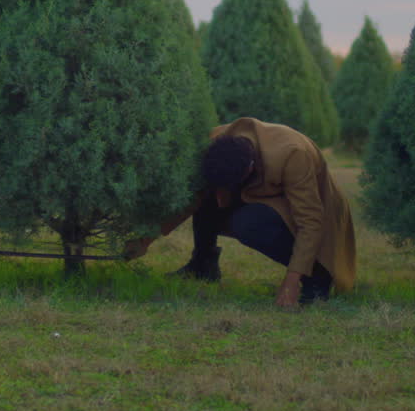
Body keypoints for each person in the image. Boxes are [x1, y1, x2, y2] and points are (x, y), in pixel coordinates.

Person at [124, 117, 356, 307]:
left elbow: (311, 221)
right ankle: (203, 264)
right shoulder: (214, 144)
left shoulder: (293, 154)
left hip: (311, 209)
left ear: (250, 169)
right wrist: (145, 239)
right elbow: (192, 199)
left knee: (249, 224)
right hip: (258, 197)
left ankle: (316, 276)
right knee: (208, 196)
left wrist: (292, 279)